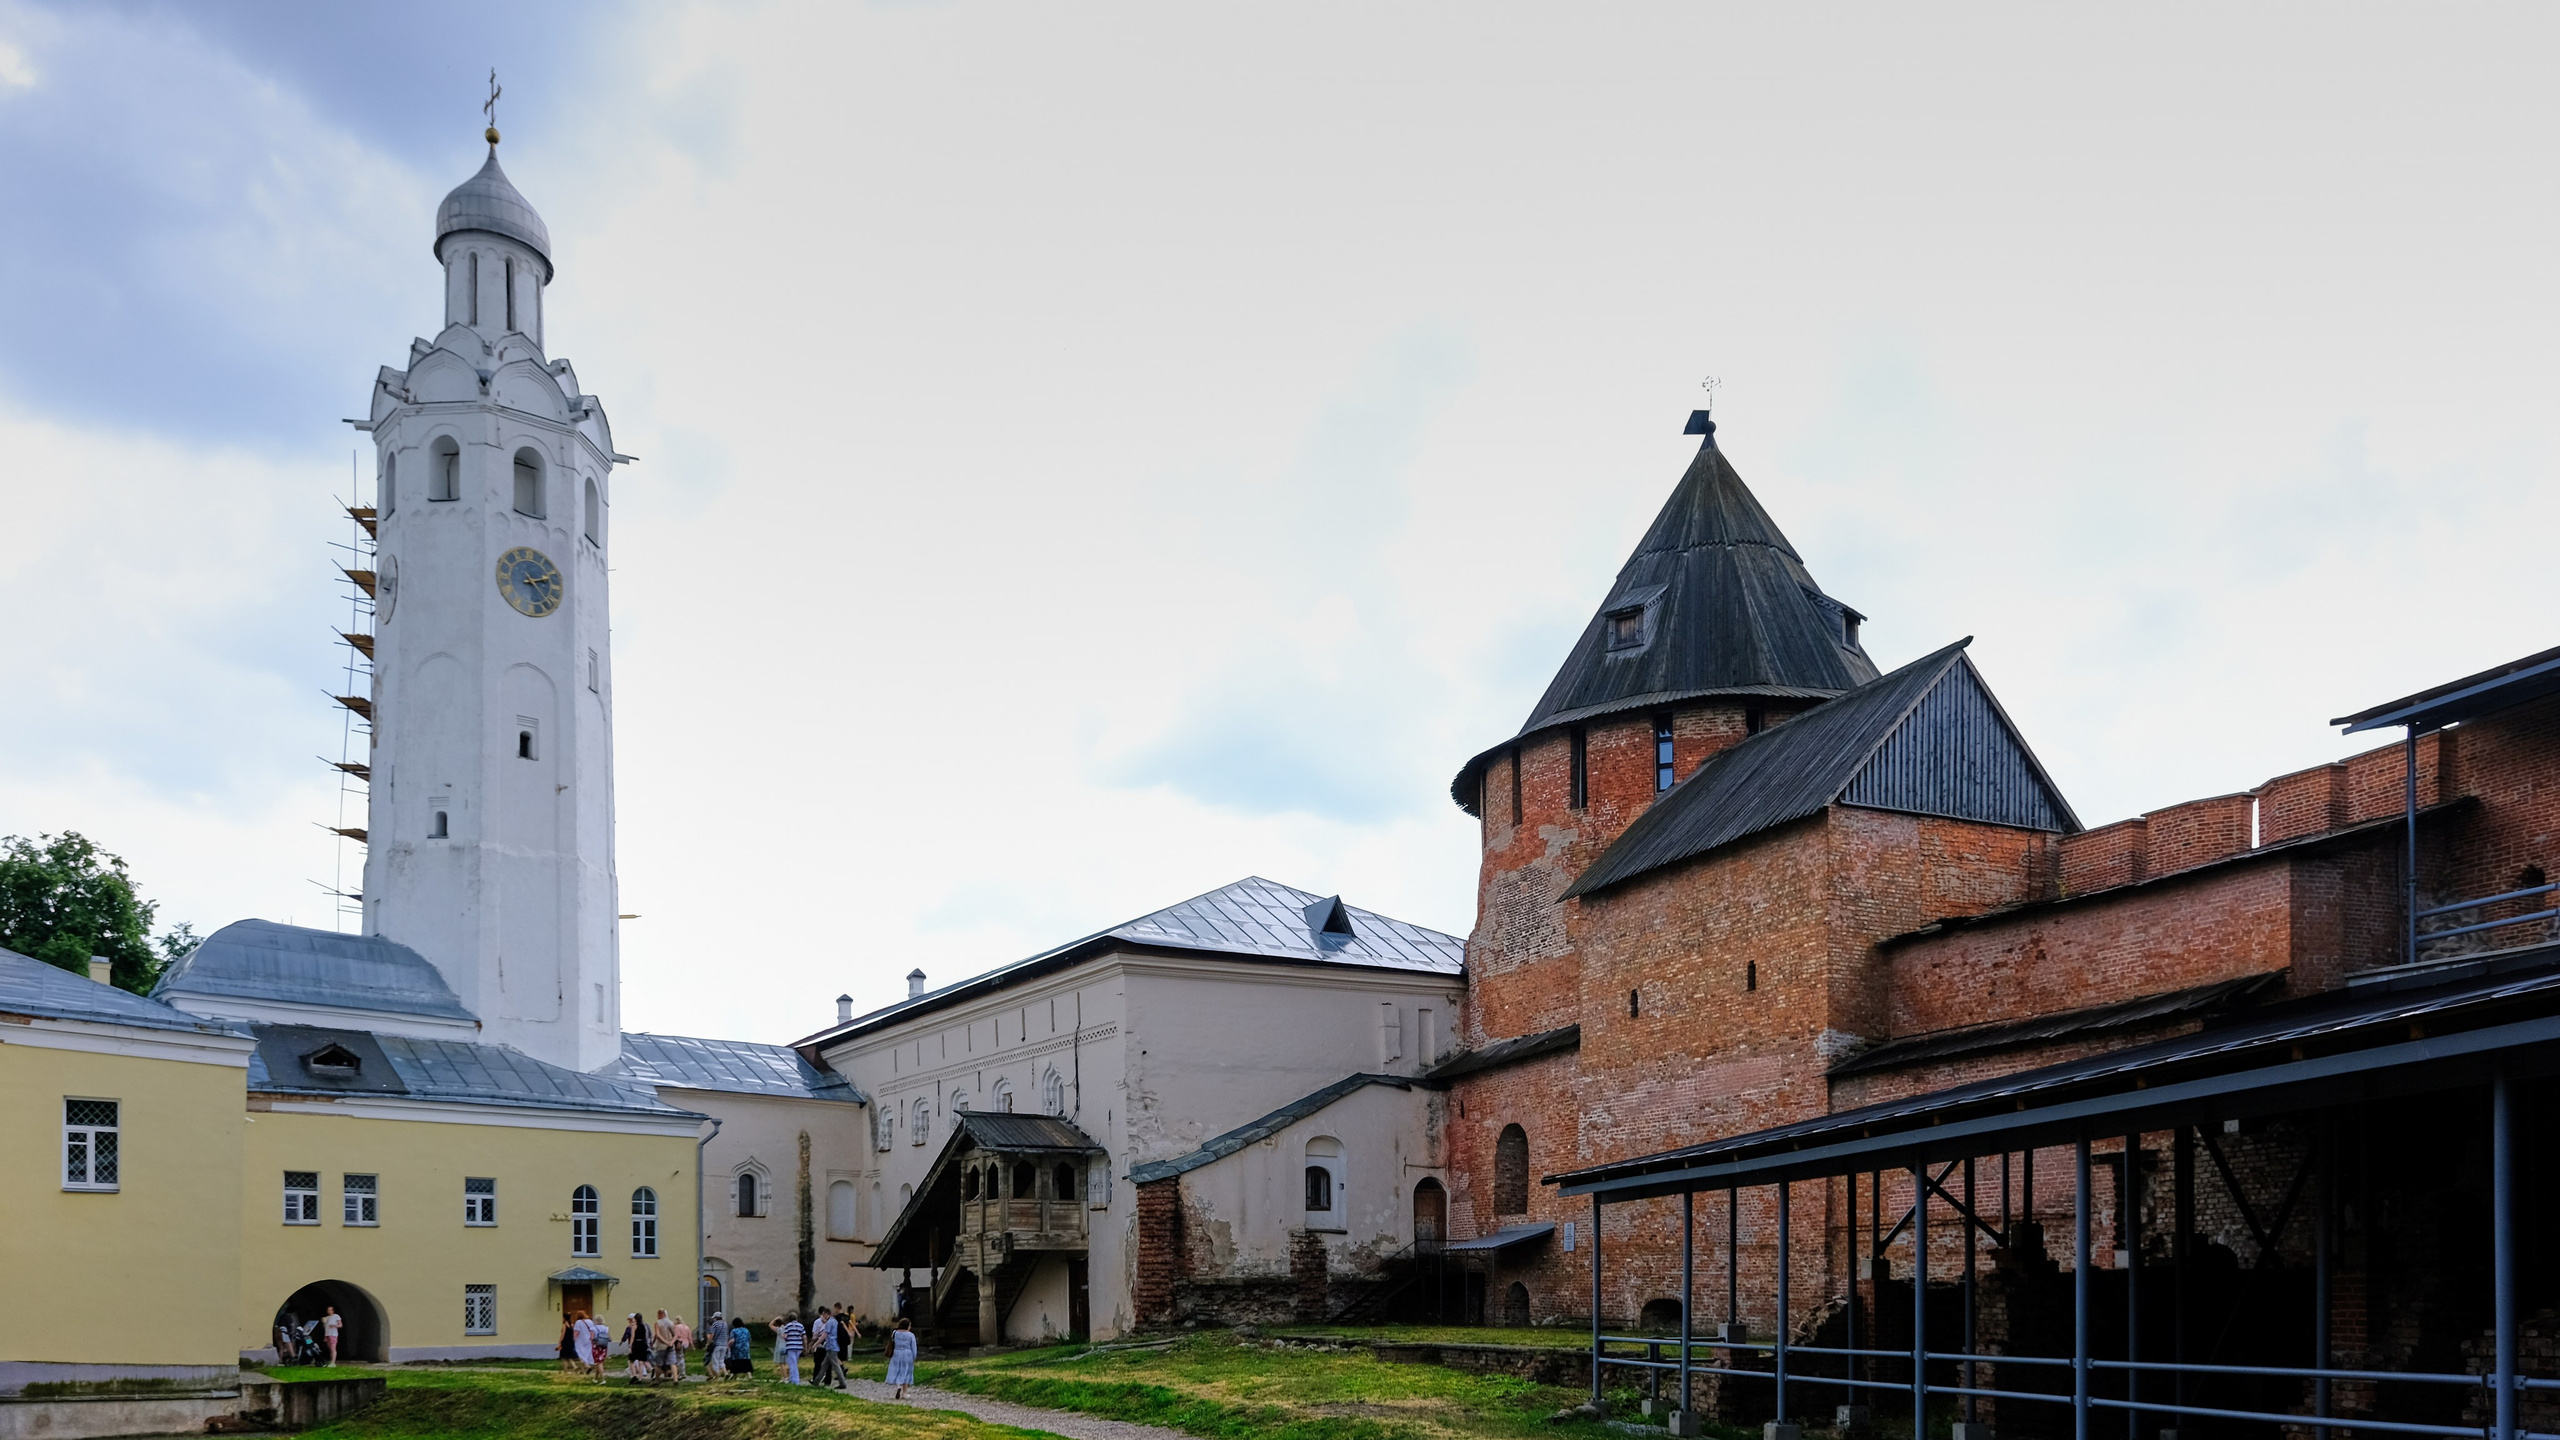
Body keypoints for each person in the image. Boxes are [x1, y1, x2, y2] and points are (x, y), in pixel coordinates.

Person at [884, 1317, 917, 1400]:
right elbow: (913, 1347)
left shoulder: (895, 1333)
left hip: (896, 1353)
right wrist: (914, 1356)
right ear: (907, 1326)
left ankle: (898, 1385)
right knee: (906, 1371)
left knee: (897, 1369)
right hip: (907, 1354)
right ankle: (904, 1392)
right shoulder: (910, 1335)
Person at [776, 1313, 806, 1385]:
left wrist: (783, 1336)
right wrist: (805, 1346)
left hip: (791, 1347)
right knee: (795, 1362)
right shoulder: (801, 1326)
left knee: (792, 1364)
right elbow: (804, 1337)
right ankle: (794, 1378)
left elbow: (785, 1336)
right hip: (799, 1347)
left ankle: (795, 1380)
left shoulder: (787, 1326)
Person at [623, 1312, 652, 1382]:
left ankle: (634, 1375)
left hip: (636, 1344)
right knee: (641, 1362)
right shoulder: (643, 1326)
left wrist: (630, 1346)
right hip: (643, 1344)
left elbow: (632, 1337)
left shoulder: (634, 1327)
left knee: (631, 1360)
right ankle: (640, 1378)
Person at [702, 1310, 725, 1378]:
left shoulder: (711, 1327)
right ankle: (720, 1373)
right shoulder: (722, 1325)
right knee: (718, 1360)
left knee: (707, 1361)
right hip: (721, 1344)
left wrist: (707, 1344)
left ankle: (713, 1375)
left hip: (713, 1345)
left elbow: (710, 1336)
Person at [669, 1315, 691, 1381]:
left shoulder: (677, 1327)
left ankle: (679, 1373)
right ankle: (683, 1372)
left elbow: (676, 1336)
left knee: (677, 1358)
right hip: (686, 1343)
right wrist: (692, 1345)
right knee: (682, 1358)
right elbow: (689, 1337)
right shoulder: (686, 1327)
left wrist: (672, 1342)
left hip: (679, 1343)